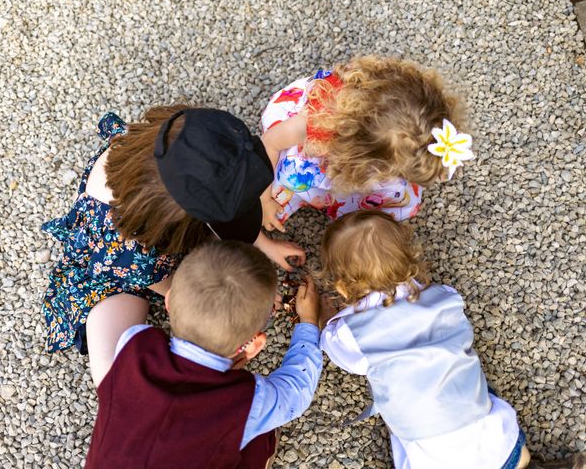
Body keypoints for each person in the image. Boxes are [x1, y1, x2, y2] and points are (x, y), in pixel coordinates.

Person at [317, 210, 584, 469]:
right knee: (504, 440)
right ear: (409, 257)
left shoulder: (350, 334)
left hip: (433, 452)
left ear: (341, 287)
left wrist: (325, 320)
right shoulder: (444, 297)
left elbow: (345, 358)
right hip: (485, 430)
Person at [42, 106, 305, 354]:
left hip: (151, 233)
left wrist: (264, 243)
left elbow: (226, 208)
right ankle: (118, 389)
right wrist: (242, 296)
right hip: (119, 272)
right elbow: (178, 290)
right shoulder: (135, 254)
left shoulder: (170, 146)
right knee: (112, 338)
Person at [83, 240, 323, 469]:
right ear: (254, 345)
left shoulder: (135, 342)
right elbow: (295, 390)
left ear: (168, 301)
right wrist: (309, 322)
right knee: (259, 437)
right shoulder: (248, 401)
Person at [258, 55, 474, 232]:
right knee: (271, 198)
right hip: (301, 149)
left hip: (349, 147)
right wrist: (265, 200)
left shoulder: (410, 129)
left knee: (396, 200)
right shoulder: (311, 122)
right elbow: (269, 145)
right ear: (358, 156)